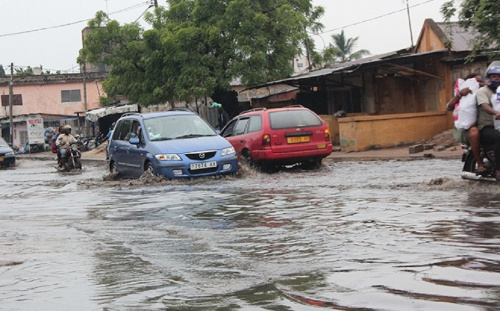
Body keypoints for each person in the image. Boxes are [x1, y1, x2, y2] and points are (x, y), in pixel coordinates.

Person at [446, 73, 485, 174]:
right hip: (465, 130)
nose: (480, 84)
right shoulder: (464, 95)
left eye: (481, 81)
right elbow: (449, 107)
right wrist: (460, 95)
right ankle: (480, 163)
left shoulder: (485, 93)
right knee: (474, 131)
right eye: (477, 81)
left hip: (484, 126)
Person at [476, 61, 500, 181]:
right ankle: (498, 170)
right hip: (487, 127)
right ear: (488, 78)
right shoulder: (483, 91)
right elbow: (485, 106)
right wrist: (496, 113)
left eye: (498, 76)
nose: (496, 79)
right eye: (494, 76)